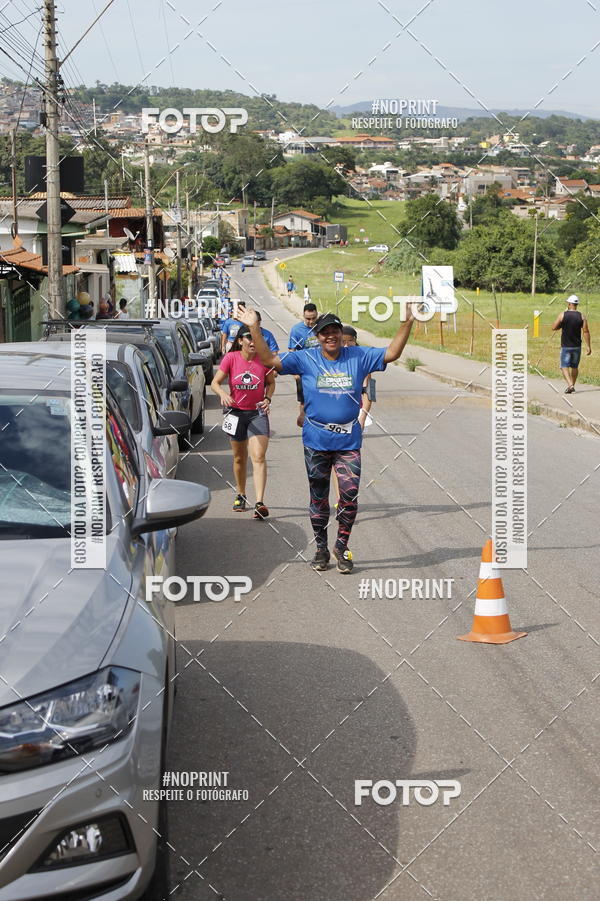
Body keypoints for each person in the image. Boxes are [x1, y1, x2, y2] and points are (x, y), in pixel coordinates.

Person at [237, 306, 416, 573]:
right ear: (317, 336)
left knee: (349, 496)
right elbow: (269, 360)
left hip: (348, 441)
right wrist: (253, 327)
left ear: (341, 335)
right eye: (324, 333)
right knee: (318, 497)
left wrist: (407, 323)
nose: (330, 336)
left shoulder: (358, 356)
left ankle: (341, 547)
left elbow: (392, 353)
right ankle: (321, 548)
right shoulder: (305, 358)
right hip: (316, 440)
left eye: (335, 331)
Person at [211, 325, 276, 519]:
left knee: (258, 456)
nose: (254, 341)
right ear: (240, 341)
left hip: (258, 413)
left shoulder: (264, 360)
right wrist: (222, 393)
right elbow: (215, 383)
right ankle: (240, 493)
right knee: (239, 457)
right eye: (249, 338)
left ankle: (259, 503)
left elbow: (271, 383)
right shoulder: (231, 359)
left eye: (257, 337)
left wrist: (268, 398)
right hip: (236, 413)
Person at [552, 294, 592, 393]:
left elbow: (554, 327)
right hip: (577, 346)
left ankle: (570, 385)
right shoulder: (582, 316)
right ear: (576, 304)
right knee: (574, 366)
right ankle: (572, 386)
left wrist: (561, 325)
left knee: (564, 366)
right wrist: (588, 346)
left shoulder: (563, 315)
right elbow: (586, 331)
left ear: (569, 304)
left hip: (566, 346)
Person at [288, 302, 319, 427]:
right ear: (303, 316)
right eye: (308, 319)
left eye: (313, 318)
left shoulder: (322, 327)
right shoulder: (297, 330)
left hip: (322, 369)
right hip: (304, 370)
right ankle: (304, 421)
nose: (311, 322)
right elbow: (292, 351)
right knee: (304, 400)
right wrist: (294, 372)